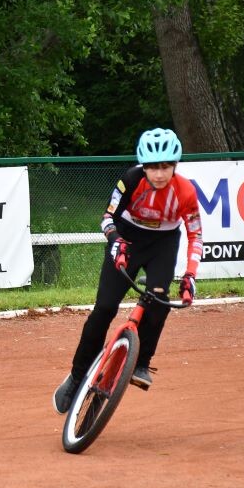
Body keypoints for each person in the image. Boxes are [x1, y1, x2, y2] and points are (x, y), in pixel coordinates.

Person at [53, 127, 203, 414]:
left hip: (163, 245)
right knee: (104, 308)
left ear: (175, 165)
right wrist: (115, 240)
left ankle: (142, 362)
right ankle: (76, 376)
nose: (159, 174)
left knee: (159, 301)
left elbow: (195, 235)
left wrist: (190, 275)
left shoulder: (186, 191)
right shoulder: (131, 180)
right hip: (127, 239)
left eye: (166, 167)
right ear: (143, 166)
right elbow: (106, 217)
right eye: (153, 167)